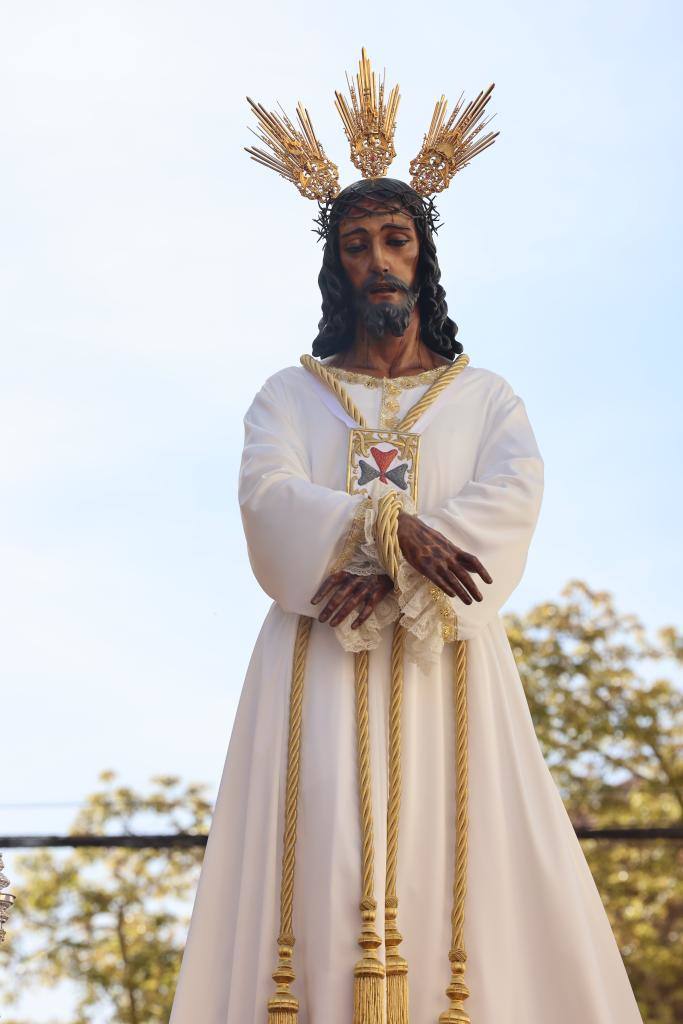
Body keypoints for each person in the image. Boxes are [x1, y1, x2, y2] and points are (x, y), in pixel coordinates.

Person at [169, 52, 644, 1024]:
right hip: (316, 659)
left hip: (445, 658)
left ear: (423, 254)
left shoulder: (483, 397)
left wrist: (393, 572)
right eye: (356, 245)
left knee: (456, 848)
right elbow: (266, 498)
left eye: (394, 239)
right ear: (334, 266)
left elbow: (511, 495)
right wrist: (385, 529)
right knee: (320, 847)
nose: (377, 261)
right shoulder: (289, 394)